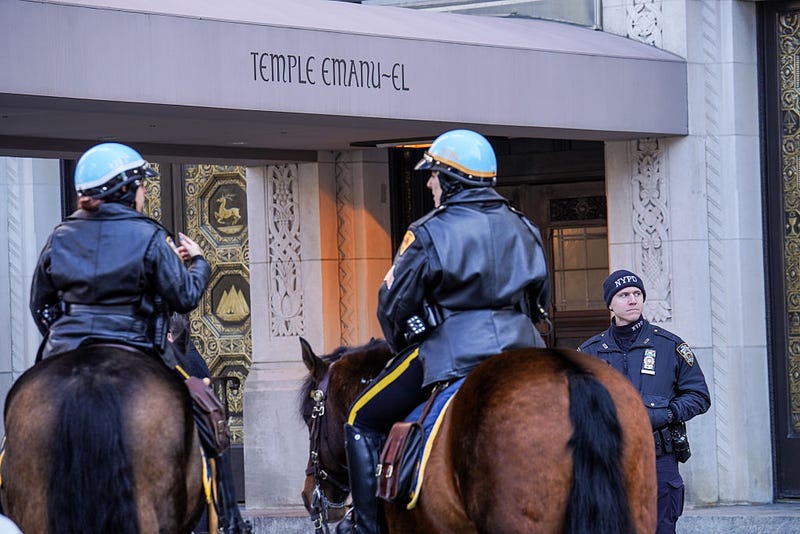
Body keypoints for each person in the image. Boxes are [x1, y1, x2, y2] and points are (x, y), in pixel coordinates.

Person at [336, 129, 550, 534]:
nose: (430, 183)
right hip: (525, 352)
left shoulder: (429, 230)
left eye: (434, 175)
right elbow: (540, 301)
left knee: (360, 419)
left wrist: (409, 339)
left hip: (453, 350)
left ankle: (365, 527)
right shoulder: (524, 226)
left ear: (452, 179)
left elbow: (394, 306)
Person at [29, 142, 210, 363]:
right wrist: (199, 261)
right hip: (137, 346)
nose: (144, 191)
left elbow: (40, 305)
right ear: (125, 189)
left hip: (65, 348)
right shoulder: (152, 235)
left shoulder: (59, 236)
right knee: (190, 392)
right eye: (141, 184)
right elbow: (185, 297)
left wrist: (61, 334)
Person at [578, 270, 711, 534]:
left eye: (637, 294)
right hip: (609, 462)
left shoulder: (669, 346)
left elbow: (699, 396)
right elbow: (576, 405)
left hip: (658, 459)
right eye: (624, 295)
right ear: (610, 304)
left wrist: (669, 412)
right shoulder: (590, 352)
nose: (632, 300)